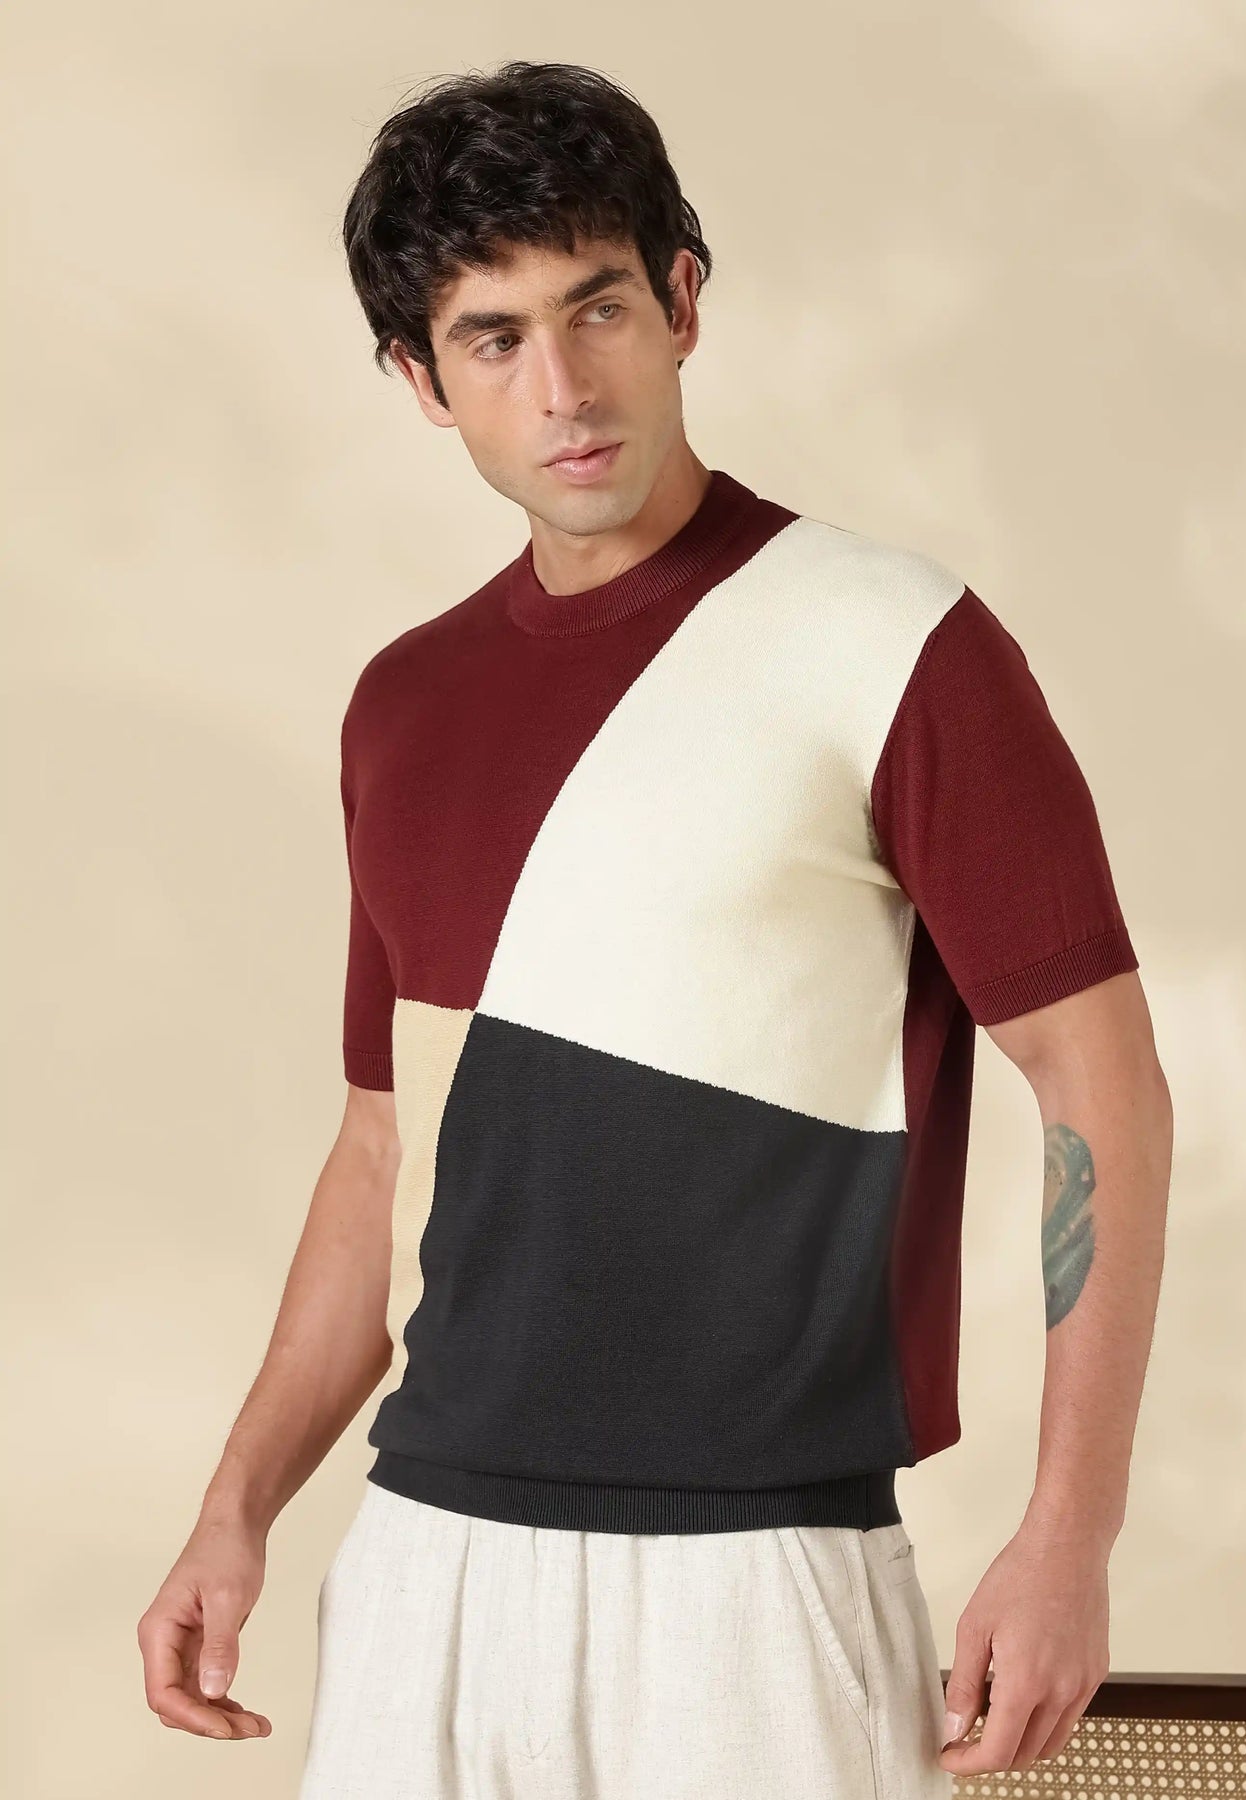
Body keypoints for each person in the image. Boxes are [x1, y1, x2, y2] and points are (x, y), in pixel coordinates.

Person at [136, 58, 1173, 1800]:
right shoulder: (402, 706)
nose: (562, 389)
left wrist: (1070, 1535)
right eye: (491, 339)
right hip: (425, 1568)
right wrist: (234, 1507)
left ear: (682, 301)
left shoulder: (897, 643)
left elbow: (1103, 1091)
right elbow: (382, 1152)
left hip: (753, 1580)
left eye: (596, 307)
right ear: (420, 380)